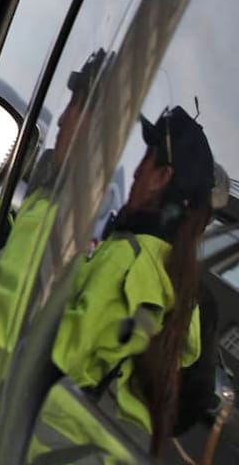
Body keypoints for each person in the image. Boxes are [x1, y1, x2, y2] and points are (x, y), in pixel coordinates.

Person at [50, 105, 216, 455]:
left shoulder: (128, 260)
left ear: (161, 177)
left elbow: (53, 361)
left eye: (145, 160)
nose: (136, 173)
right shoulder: (184, 293)